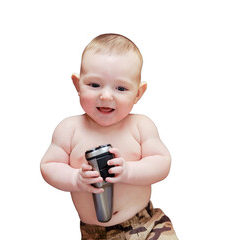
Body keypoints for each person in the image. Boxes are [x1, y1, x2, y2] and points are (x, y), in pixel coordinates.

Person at [40, 33, 178, 239]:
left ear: (138, 93)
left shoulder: (140, 125)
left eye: (121, 88)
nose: (105, 96)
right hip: (95, 233)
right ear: (77, 85)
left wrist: (129, 171)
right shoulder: (69, 129)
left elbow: (162, 163)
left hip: (146, 223)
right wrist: (75, 179)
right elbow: (48, 166)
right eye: (94, 85)